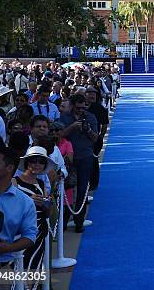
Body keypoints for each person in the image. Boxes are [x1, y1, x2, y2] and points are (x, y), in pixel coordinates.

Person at [0, 147, 37, 269]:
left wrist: (9, 247)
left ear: (9, 168)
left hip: (2, 267)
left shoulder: (25, 202)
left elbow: (30, 235)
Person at [12, 146, 56, 271]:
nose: (37, 164)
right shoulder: (15, 182)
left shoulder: (41, 184)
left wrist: (47, 205)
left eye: (41, 161)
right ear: (27, 162)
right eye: (33, 160)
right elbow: (9, 208)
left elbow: (47, 214)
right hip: (22, 234)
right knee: (19, 268)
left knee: (34, 268)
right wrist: (28, 201)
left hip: (40, 232)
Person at [60, 94, 99, 233]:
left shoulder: (91, 117)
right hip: (67, 159)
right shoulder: (64, 117)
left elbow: (95, 138)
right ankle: (63, 221)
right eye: (78, 107)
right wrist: (72, 127)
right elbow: (59, 135)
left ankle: (79, 222)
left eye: (83, 107)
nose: (81, 110)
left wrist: (87, 129)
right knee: (66, 191)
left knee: (82, 190)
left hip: (85, 157)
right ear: (72, 105)